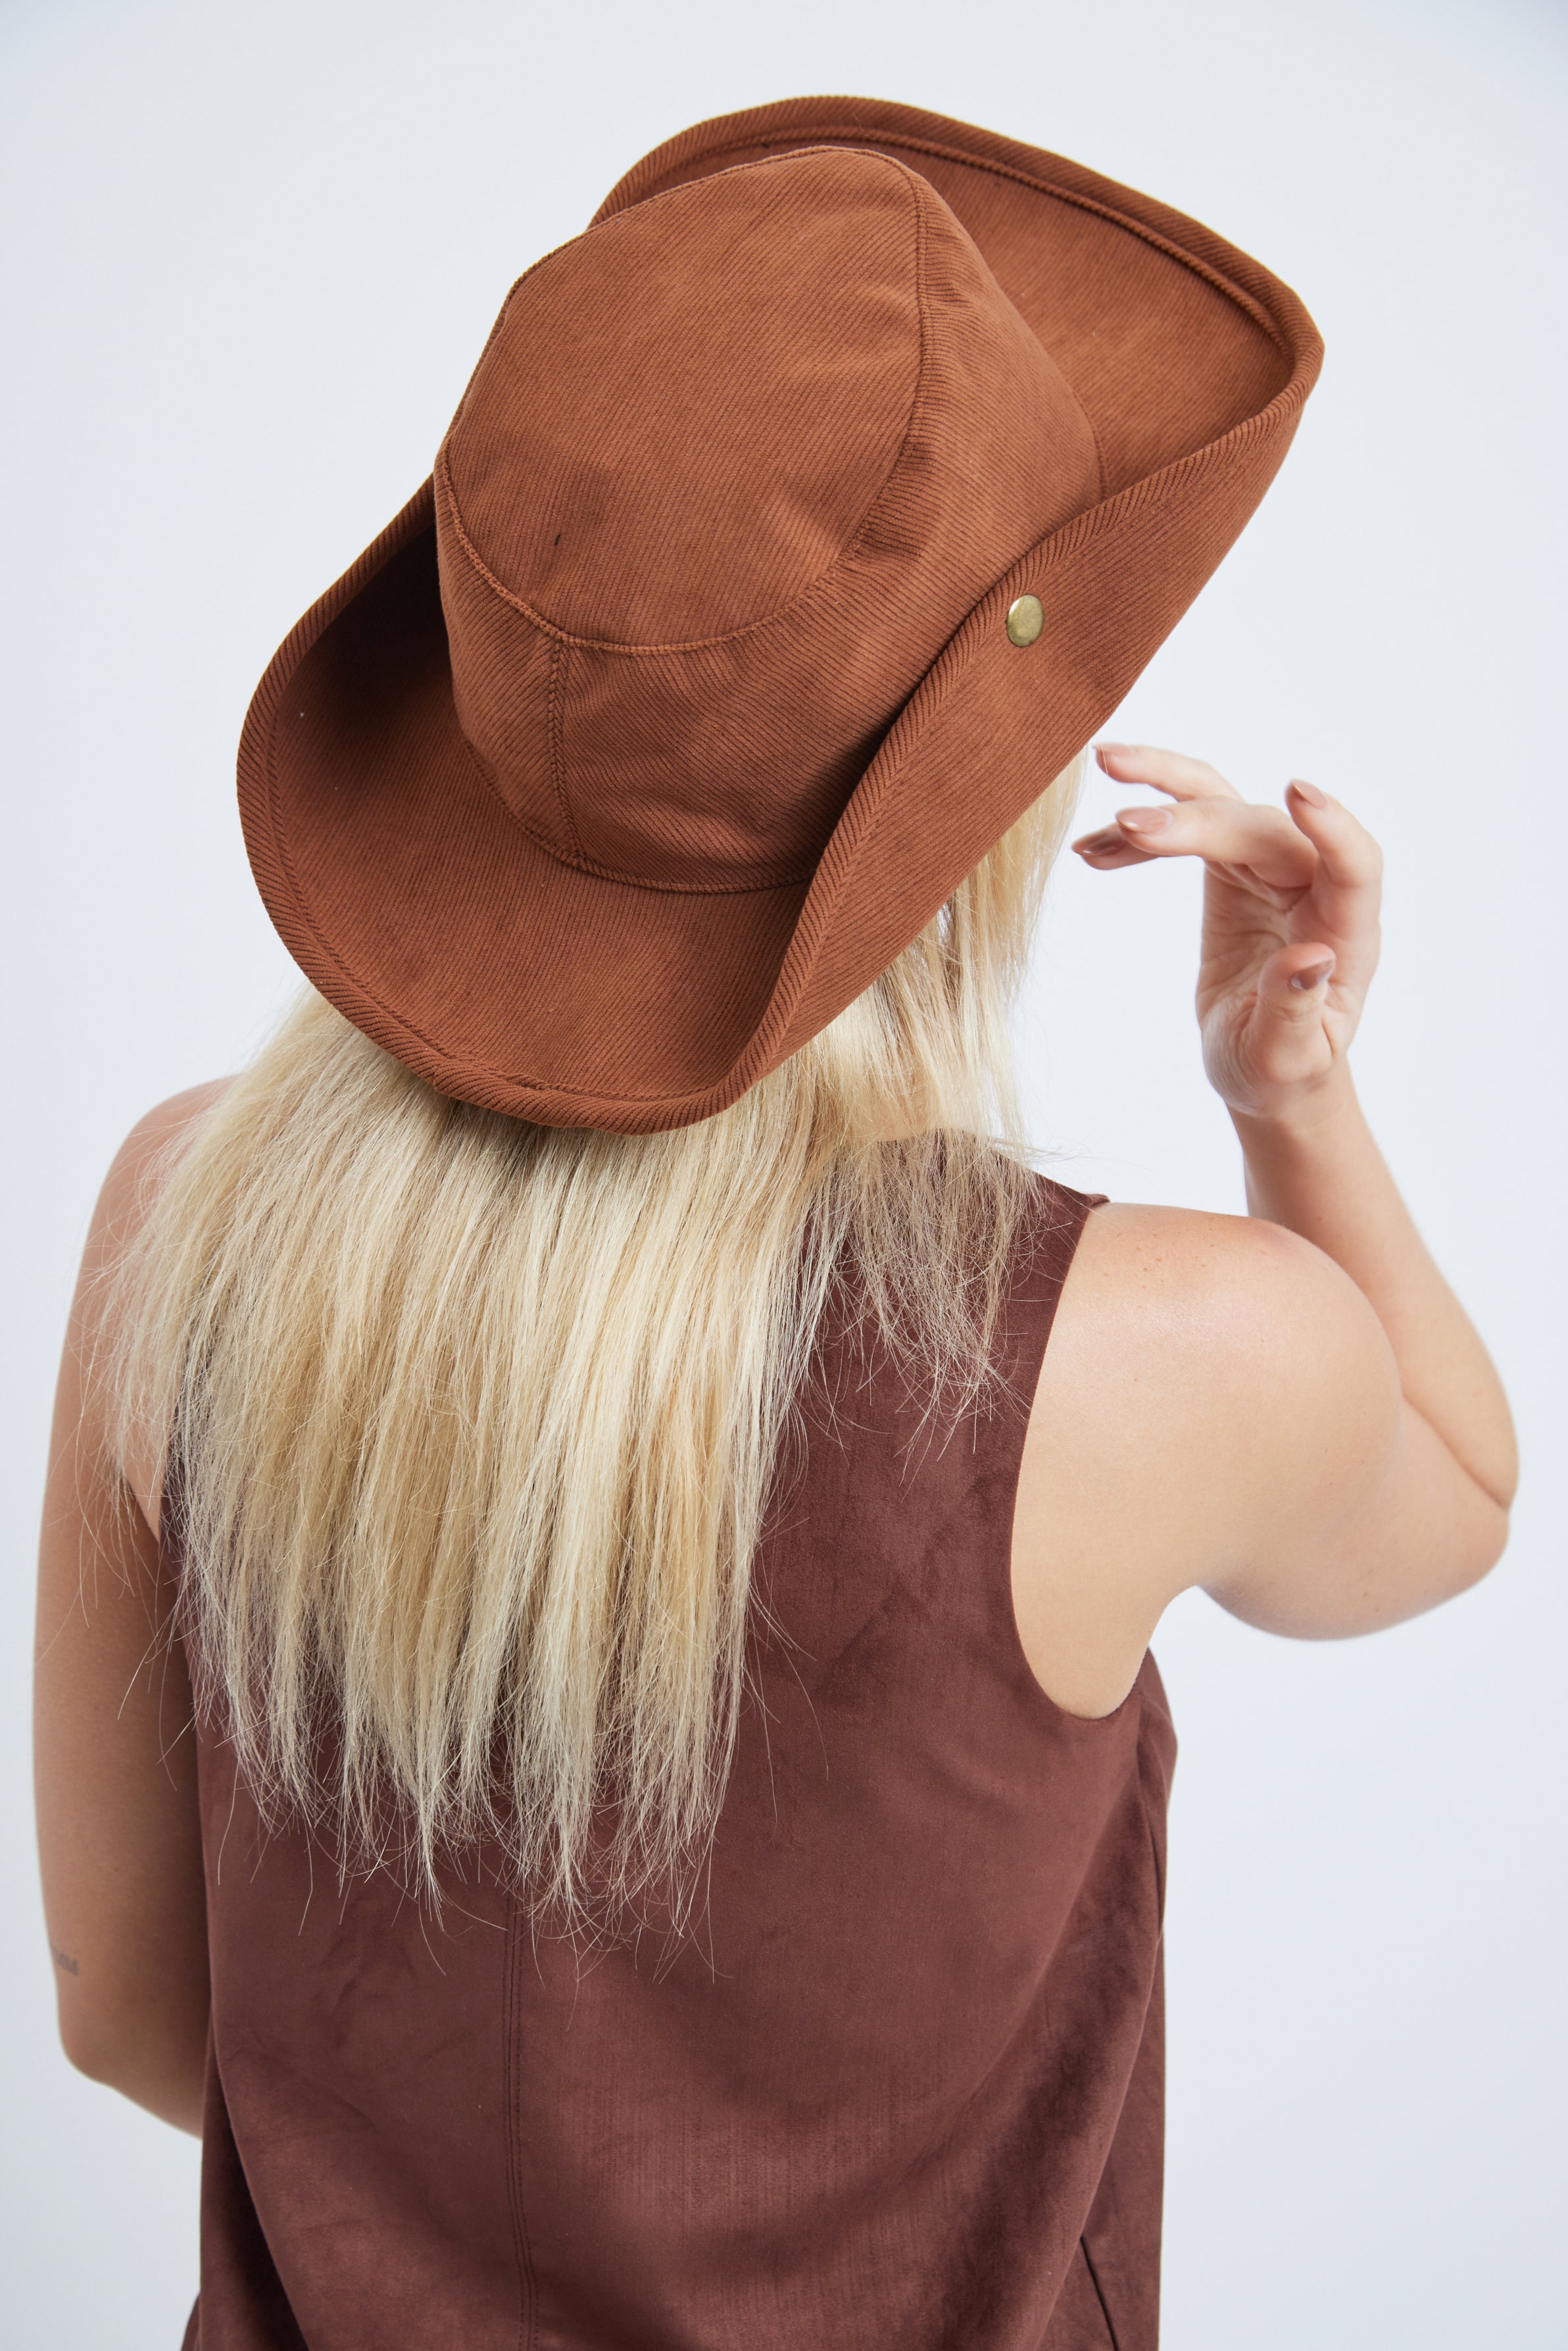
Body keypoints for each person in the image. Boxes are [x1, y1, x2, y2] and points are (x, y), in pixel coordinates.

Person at [34, 96, 1513, 2351]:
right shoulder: (1157, 1351)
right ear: (990, 792)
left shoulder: (180, 1230)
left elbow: (140, 2023)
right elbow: (1460, 1500)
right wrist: (1291, 1089)